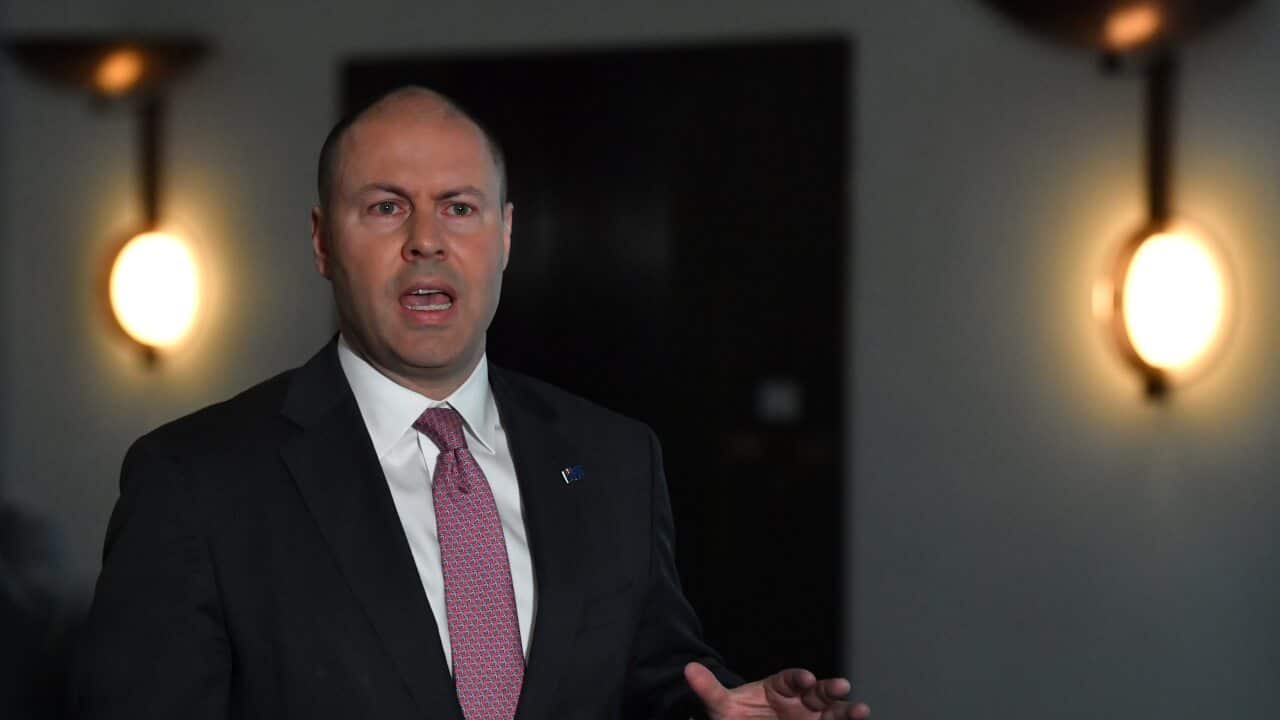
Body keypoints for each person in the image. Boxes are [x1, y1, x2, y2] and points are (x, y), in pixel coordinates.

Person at [72, 85, 871, 720]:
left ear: (507, 235)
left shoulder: (616, 459)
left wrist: (720, 716)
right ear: (322, 241)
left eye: (458, 206)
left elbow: (653, 684)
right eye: (386, 206)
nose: (427, 239)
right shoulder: (195, 484)